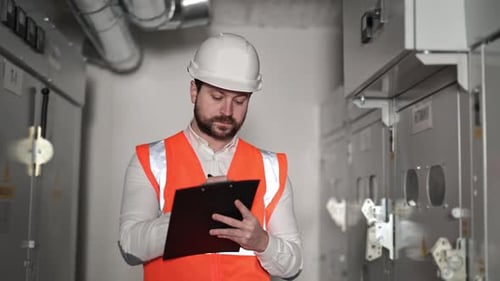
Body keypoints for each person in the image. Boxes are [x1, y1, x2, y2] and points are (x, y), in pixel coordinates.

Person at [118, 32, 303, 281]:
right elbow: (129, 248)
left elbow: (293, 266)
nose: (227, 111)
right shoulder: (151, 160)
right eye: (217, 97)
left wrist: (263, 242)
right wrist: (191, 215)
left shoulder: (271, 168)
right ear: (194, 91)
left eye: (240, 100)